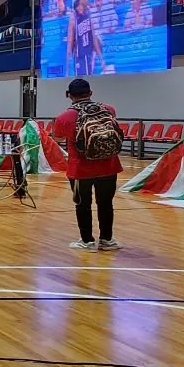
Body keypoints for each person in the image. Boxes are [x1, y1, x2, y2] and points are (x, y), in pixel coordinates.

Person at [51, 78, 123, 252]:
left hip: (80, 169)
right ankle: (107, 240)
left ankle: (87, 241)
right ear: (91, 93)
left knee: (82, 205)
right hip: (109, 165)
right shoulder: (109, 109)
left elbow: (58, 139)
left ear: (69, 95)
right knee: (106, 204)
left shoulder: (64, 117)